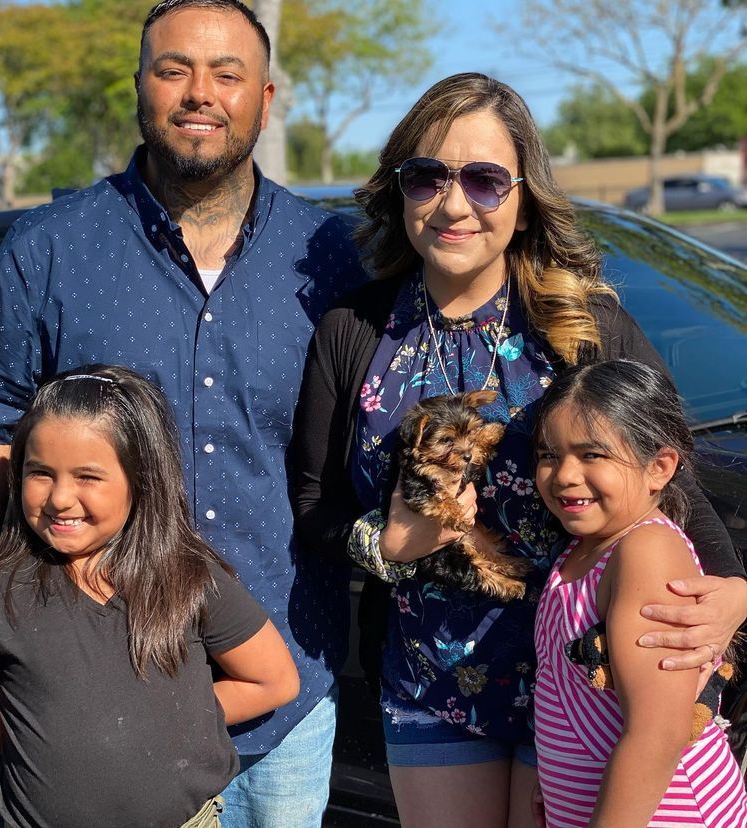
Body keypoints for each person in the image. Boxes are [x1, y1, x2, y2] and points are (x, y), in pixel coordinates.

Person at [0, 1, 363, 825]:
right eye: (174, 69)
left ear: (265, 100)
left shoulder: (329, 256)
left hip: (282, 698)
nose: (201, 93)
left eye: (227, 74)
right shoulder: (51, 248)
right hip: (91, 706)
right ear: (140, 90)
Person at [290, 72, 747, 828]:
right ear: (399, 190)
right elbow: (313, 506)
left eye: (485, 179)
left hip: (583, 684)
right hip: (430, 683)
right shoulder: (354, 331)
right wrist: (387, 541)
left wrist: (735, 593)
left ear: (526, 194)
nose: (454, 203)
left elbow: (671, 479)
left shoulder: (583, 323)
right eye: (427, 176)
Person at [0, 365, 300, 828]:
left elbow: (274, 681)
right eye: (40, 472)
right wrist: (48, 726)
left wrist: (159, 718)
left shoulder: (188, 577)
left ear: (141, 480)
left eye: (87, 476)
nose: (60, 497)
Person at [532, 359, 747, 827]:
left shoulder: (646, 550)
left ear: (659, 467)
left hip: (671, 814)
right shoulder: (582, 548)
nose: (564, 474)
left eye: (592, 455)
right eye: (550, 454)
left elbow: (658, 733)